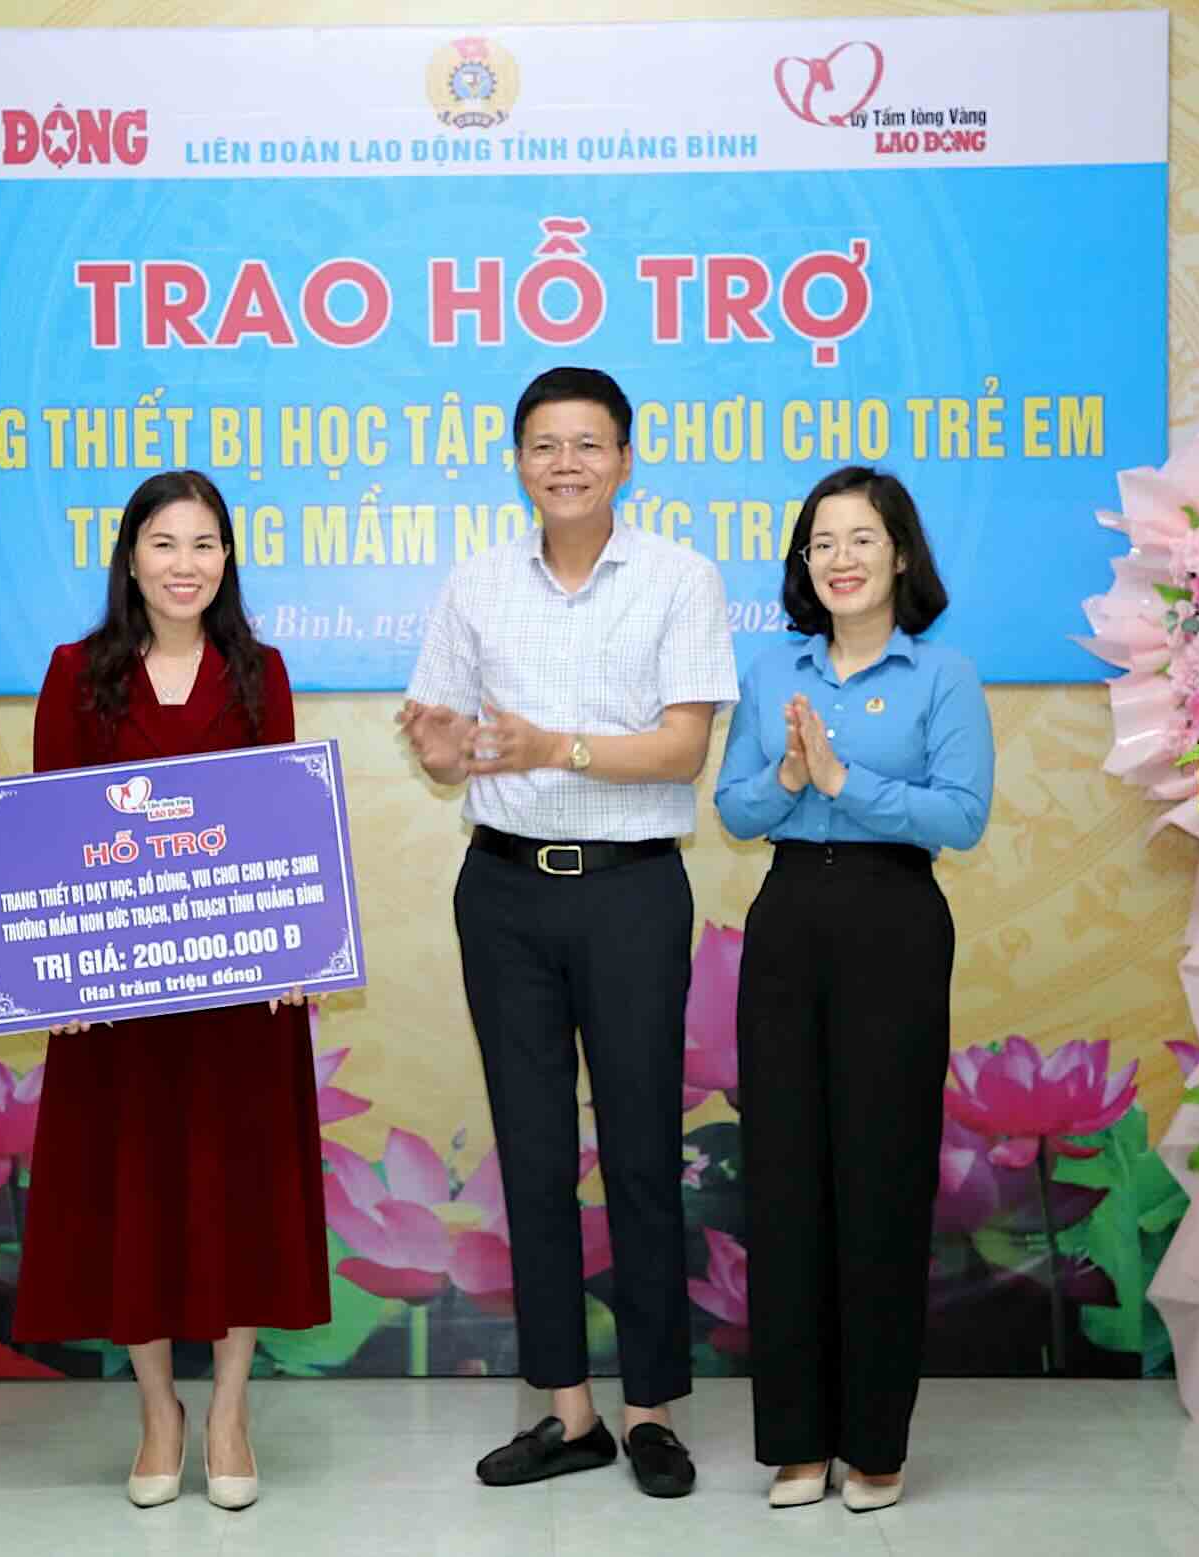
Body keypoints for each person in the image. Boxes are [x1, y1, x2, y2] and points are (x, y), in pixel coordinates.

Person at [399, 366, 737, 1500]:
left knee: (640, 1150)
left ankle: (649, 1411)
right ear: (517, 461)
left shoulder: (679, 579)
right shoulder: (477, 584)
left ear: (625, 458)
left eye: (586, 445)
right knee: (533, 1158)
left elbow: (683, 748)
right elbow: (444, 745)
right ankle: (566, 1411)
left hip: (631, 890)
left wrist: (557, 748)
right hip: (500, 892)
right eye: (543, 445)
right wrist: (442, 741)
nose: (564, 464)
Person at [14, 468, 328, 1513]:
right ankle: (159, 1411)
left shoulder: (260, 672)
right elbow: (48, 834)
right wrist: (50, 969)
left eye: (203, 545)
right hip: (117, 1002)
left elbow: (283, 823)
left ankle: (230, 1407)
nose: (183, 565)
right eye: (163, 544)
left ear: (226, 560)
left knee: (238, 1190)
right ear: (130, 557)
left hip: (239, 1002)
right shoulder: (76, 673)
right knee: (131, 1193)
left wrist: (295, 954)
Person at [711, 465, 992, 1513]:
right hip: (788, 919)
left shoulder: (943, 676)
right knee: (783, 1178)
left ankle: (874, 1443)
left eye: (858, 539)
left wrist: (844, 785)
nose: (837, 558)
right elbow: (736, 813)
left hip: (893, 923)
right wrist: (787, 781)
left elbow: (959, 818)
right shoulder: (767, 670)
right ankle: (795, 1439)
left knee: (878, 1180)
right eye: (819, 541)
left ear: (900, 555)